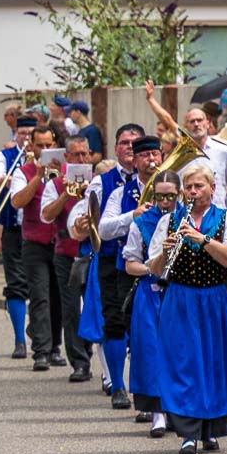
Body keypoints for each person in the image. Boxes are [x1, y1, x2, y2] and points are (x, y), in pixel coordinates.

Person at [146, 166, 227, 454]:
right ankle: (188, 433)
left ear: (212, 188)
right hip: (179, 296)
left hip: (215, 295)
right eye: (189, 187)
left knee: (215, 362)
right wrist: (166, 252)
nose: (193, 192)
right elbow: (152, 268)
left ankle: (210, 429)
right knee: (182, 362)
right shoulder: (169, 221)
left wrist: (203, 240)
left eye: (198, 186)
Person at [68, 124, 147, 397]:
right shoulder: (103, 181)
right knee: (113, 323)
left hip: (149, 264)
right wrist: (78, 224)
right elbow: (80, 217)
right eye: (124, 142)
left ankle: (145, 386)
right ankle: (118, 386)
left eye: (135, 143)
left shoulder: (159, 180)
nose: (129, 147)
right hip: (112, 260)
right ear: (116, 148)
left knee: (144, 326)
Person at [94, 134, 165, 407]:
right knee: (118, 325)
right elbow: (104, 229)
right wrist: (133, 216)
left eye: (155, 154)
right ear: (134, 161)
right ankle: (119, 387)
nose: (151, 160)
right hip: (125, 268)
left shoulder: (170, 188)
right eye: (145, 156)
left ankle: (153, 391)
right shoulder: (120, 193)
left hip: (162, 270)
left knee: (155, 332)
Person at [121, 168, 180, 437]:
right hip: (151, 292)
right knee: (151, 351)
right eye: (160, 196)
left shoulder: (188, 221)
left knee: (178, 351)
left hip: (180, 294)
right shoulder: (141, 223)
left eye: (170, 196)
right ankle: (156, 412)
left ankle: (177, 409)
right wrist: (152, 268)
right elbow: (130, 264)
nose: (165, 201)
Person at [8, 125, 65, 371]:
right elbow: (17, 201)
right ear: (31, 146)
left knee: (59, 297)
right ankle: (41, 350)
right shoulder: (24, 172)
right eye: (40, 145)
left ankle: (55, 346)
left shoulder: (67, 171)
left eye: (49, 145)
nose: (45, 149)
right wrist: (37, 177)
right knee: (40, 296)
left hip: (61, 241)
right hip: (34, 242)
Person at [40, 135, 96, 382]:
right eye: (76, 155)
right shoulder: (55, 183)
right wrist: (66, 193)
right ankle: (79, 362)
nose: (81, 159)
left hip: (92, 253)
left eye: (85, 154)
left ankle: (91, 351)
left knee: (93, 306)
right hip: (65, 253)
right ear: (67, 157)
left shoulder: (98, 181)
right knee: (71, 309)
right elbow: (46, 216)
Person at [0, 115, 36, 358]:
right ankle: (20, 340)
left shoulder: (48, 158)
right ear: (15, 134)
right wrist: (15, 175)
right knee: (16, 284)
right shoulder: (6, 156)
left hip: (40, 231)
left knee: (39, 286)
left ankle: (42, 339)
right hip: (14, 230)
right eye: (22, 134)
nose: (27, 138)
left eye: (31, 134)